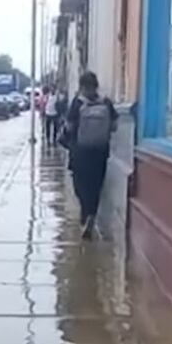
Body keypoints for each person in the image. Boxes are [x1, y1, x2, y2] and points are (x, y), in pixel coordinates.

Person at [64, 72, 118, 240]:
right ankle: (91, 214)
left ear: (81, 86)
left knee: (80, 185)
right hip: (100, 152)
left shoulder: (78, 103)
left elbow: (69, 126)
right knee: (96, 185)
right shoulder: (106, 102)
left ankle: (85, 214)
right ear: (96, 85)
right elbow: (115, 125)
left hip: (80, 152)